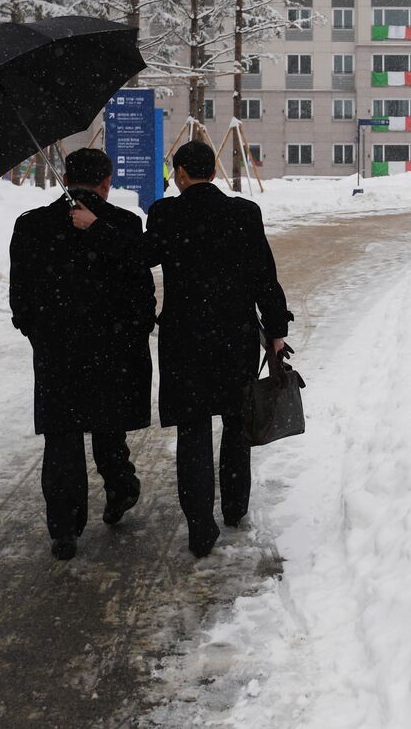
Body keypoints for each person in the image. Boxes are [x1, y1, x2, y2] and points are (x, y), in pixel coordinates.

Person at [73, 140, 290, 558]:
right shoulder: (245, 213)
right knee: (235, 423)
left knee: (193, 431)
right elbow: (266, 274)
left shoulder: (166, 213)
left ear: (183, 174)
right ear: (211, 171)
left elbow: (139, 256)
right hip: (235, 338)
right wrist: (276, 329)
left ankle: (199, 526)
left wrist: (94, 225)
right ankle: (234, 507)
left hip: (185, 340)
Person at [9, 148, 155, 560]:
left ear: (69, 177)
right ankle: (120, 487)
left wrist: (40, 333)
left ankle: (65, 527)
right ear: (106, 182)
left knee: (61, 438)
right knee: (109, 427)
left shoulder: (32, 226)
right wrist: (133, 332)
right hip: (113, 348)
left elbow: (20, 296)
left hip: (58, 353)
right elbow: (141, 291)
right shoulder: (125, 224)